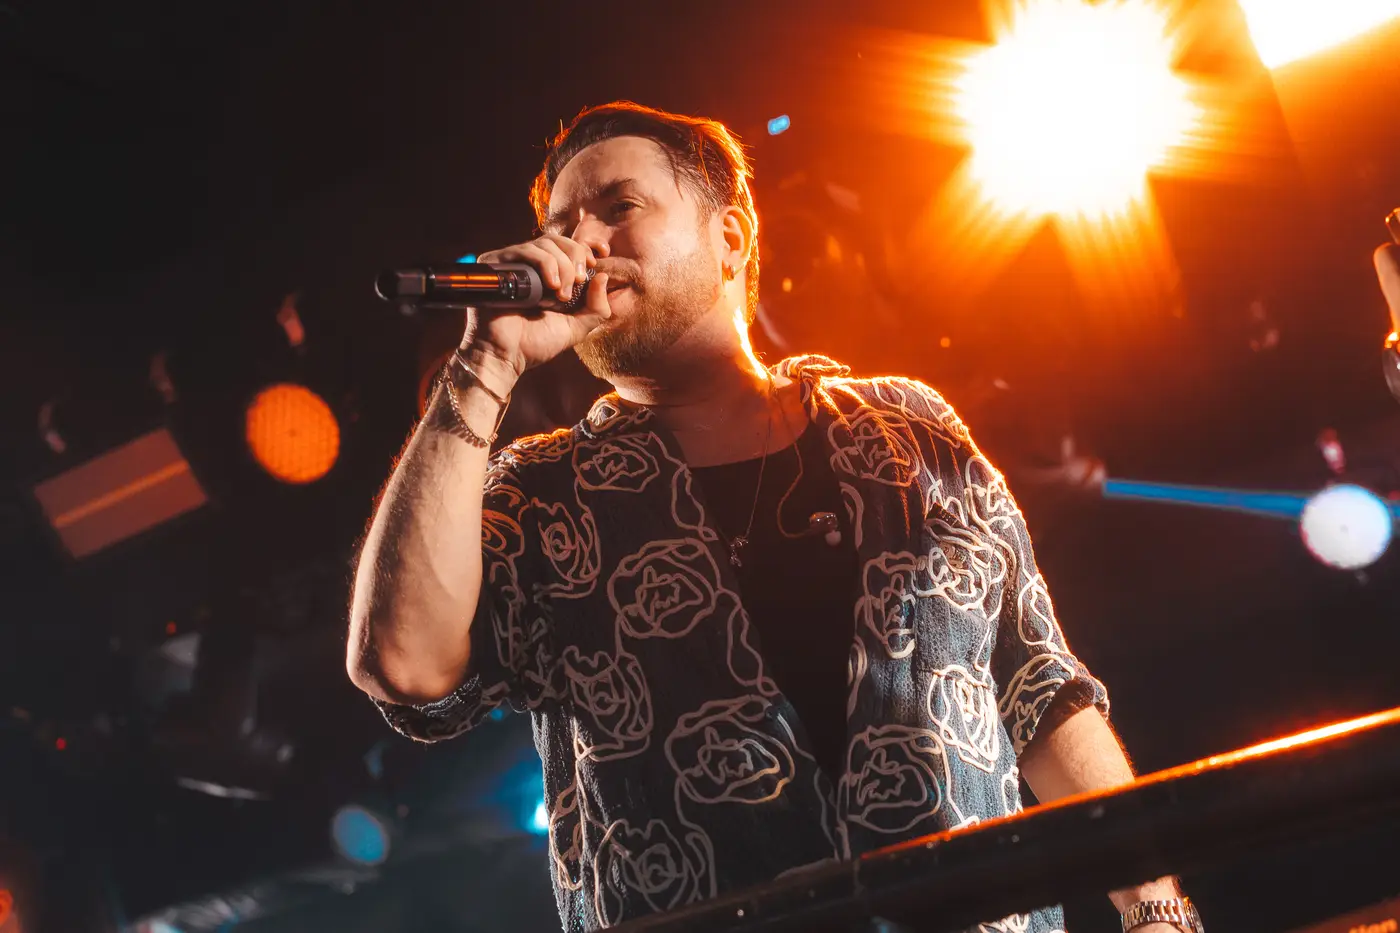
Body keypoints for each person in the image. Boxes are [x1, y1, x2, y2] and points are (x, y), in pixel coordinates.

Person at [347, 101, 1197, 933]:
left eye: (619, 207)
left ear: (731, 237)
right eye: (563, 226)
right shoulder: (540, 492)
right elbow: (402, 661)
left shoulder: (908, 429)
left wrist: (1153, 906)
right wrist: (486, 361)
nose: (583, 243)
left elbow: (1038, 686)